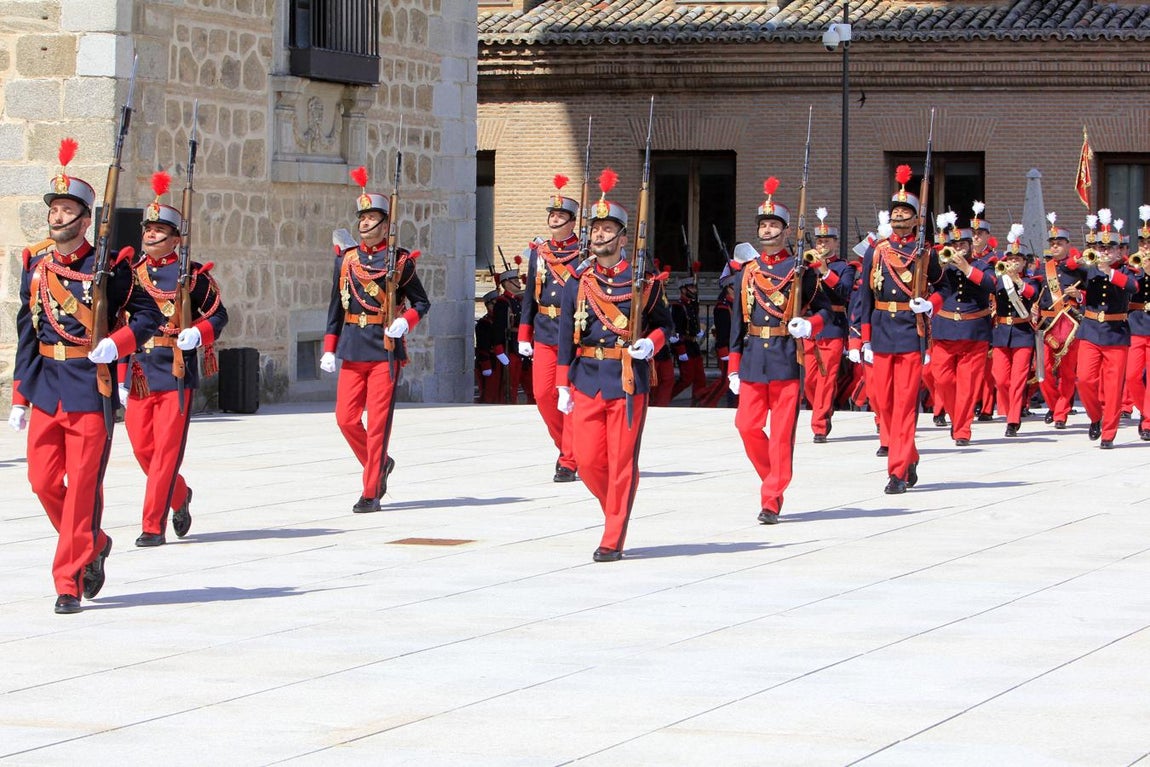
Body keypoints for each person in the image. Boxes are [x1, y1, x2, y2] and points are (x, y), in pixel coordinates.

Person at [9, 139, 163, 613]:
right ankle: (93, 542)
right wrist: (19, 394)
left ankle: (68, 580)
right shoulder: (36, 265)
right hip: (46, 386)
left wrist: (114, 345)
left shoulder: (111, 267)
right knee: (41, 481)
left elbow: (148, 316)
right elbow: (26, 329)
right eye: (53, 209)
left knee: (81, 488)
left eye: (66, 209)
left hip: (88, 387)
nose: (57, 217)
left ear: (84, 216)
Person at [556, 168, 672, 562]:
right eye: (596, 229)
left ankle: (612, 535)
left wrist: (648, 344)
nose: (599, 235)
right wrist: (560, 384)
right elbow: (563, 333)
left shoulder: (645, 283)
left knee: (621, 463)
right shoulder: (579, 280)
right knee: (587, 462)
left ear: (623, 236)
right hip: (586, 378)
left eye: (608, 229)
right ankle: (616, 512)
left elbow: (667, 327)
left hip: (626, 380)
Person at [121, 172, 229, 546]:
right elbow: (118, 323)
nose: (150, 235)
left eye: (158, 231)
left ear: (175, 240)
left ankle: (153, 525)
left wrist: (198, 332)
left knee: (166, 451)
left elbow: (218, 314)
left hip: (175, 369)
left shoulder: (191, 275)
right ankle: (179, 495)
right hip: (139, 370)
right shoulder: (131, 275)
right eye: (147, 229)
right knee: (141, 447)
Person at [322, 165, 431, 511]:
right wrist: (329, 347)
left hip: (385, 349)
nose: (365, 224)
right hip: (353, 346)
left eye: (372, 219)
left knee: (379, 424)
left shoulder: (400, 261)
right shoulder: (347, 261)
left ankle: (370, 491)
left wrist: (406, 322)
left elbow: (422, 302)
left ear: (386, 225)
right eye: (362, 218)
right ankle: (379, 463)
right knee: (345, 419)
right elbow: (334, 308)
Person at [728, 177, 832, 523]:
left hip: (788, 356)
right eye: (763, 224)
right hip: (755, 355)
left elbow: (826, 310)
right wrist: (733, 366)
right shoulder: (748, 273)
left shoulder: (800, 270)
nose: (767, 230)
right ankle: (773, 474)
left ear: (786, 232)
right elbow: (737, 324)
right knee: (746, 426)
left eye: (773, 225)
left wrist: (810, 326)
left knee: (782, 433)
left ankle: (771, 498)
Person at [857, 166, 940, 494]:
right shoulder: (877, 251)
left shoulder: (924, 252)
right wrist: (863, 339)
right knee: (883, 403)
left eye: (906, 211)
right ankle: (910, 456)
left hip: (909, 333)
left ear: (917, 219)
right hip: (880, 333)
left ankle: (897, 472)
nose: (900, 216)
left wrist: (929, 302)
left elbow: (942, 287)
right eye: (896, 212)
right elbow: (864, 295)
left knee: (905, 404)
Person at [517, 174, 581, 480]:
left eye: (560, 216)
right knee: (543, 395)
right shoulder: (540, 253)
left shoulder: (583, 256)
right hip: (543, 330)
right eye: (552, 215)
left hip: (573, 335)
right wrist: (523, 333)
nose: (554, 220)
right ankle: (567, 446)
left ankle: (569, 459)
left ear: (571, 222)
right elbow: (530, 293)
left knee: (568, 396)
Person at [928, 202, 997, 446]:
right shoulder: (940, 267)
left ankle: (963, 429)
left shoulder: (980, 265)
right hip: (945, 329)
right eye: (954, 246)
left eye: (963, 246)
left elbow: (992, 286)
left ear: (970, 247)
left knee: (968, 385)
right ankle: (957, 418)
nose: (958, 250)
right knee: (942, 379)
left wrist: (966, 267)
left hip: (973, 332)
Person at [1072, 210, 1139, 448]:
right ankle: (1095, 417)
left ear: (1119, 251)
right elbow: (1067, 265)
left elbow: (1133, 287)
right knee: (1085, 380)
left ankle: (1109, 433)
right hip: (1090, 330)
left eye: (1110, 249)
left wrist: (1109, 271)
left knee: (1113, 387)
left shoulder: (1126, 270)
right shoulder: (1089, 267)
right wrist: (1082, 259)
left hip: (1116, 332)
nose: (1105, 252)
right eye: (1102, 248)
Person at [803, 207, 856, 442]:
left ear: (835, 243)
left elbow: (844, 293)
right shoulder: (807, 267)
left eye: (827, 241)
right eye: (819, 240)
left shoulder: (845, 267)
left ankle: (820, 425)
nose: (822, 245)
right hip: (810, 327)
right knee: (810, 381)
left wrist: (825, 271)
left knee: (826, 379)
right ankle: (823, 409)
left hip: (833, 326)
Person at [1034, 212, 1084, 429]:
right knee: (1043, 371)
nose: (1055, 247)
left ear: (1067, 244)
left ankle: (1061, 413)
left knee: (1067, 372)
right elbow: (1035, 293)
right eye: (1052, 244)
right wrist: (1033, 306)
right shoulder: (1043, 268)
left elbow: (1090, 296)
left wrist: (1078, 295)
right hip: (1047, 325)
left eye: (1059, 243)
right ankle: (1054, 406)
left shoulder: (1080, 268)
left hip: (1069, 324)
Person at [990, 225, 1039, 437]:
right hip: (1002, 332)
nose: (1013, 263)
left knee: (1019, 378)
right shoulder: (998, 279)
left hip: (1022, 332)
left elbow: (1031, 294)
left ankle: (1013, 418)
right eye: (1010, 259)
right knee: (1000, 378)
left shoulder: (1030, 281)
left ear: (1024, 263)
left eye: (1017, 260)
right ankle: (1010, 409)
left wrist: (1017, 280)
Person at [1122, 205, 1150, 440]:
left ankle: (1148, 420)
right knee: (1132, 376)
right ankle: (1145, 410)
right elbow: (1130, 289)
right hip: (1136, 324)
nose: (1145, 247)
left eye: (1148, 244)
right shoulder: (1131, 268)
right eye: (1142, 243)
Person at [492, 264, 533, 404]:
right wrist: (499, 350)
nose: (518, 282)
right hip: (510, 347)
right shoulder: (503, 303)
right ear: (507, 283)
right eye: (515, 279)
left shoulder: (518, 300)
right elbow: (498, 327)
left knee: (530, 384)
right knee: (510, 386)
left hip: (522, 346)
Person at [670, 278, 708, 404]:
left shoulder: (691, 305)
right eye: (691, 288)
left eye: (694, 287)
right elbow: (676, 331)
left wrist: (697, 331)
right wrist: (680, 351)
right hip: (684, 346)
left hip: (693, 344)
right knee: (687, 379)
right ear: (683, 289)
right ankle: (665, 398)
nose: (694, 290)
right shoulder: (678, 307)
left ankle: (699, 402)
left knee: (700, 377)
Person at [475, 289, 500, 402]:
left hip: (499, 361)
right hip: (489, 361)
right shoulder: (484, 323)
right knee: (489, 393)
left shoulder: (499, 321)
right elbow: (482, 346)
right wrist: (486, 365)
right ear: (489, 305)